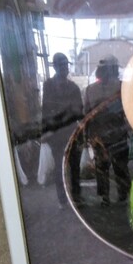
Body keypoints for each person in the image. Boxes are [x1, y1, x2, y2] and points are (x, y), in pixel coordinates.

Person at [84, 56, 131, 206]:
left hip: (100, 137)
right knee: (120, 167)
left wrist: (87, 137)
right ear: (114, 70)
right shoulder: (122, 87)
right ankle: (122, 195)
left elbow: (86, 116)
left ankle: (105, 197)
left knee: (102, 169)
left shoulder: (90, 90)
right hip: (117, 135)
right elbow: (129, 112)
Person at [41, 53, 83, 207]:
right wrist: (45, 131)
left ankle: (76, 197)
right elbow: (45, 110)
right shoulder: (48, 86)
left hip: (72, 134)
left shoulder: (74, 87)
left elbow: (79, 111)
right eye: (62, 65)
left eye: (66, 65)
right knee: (60, 168)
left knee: (75, 167)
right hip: (57, 135)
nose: (65, 68)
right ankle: (63, 200)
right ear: (55, 67)